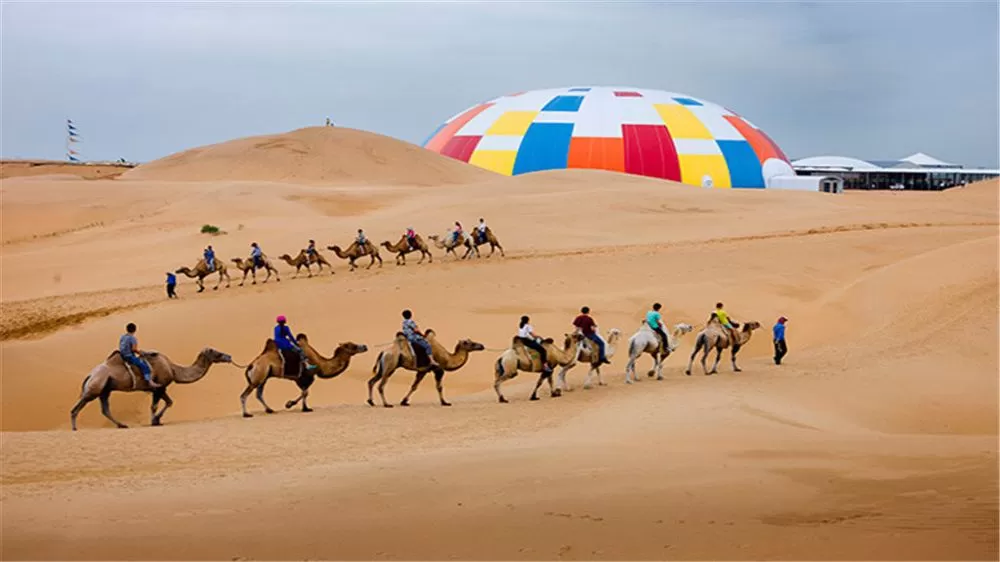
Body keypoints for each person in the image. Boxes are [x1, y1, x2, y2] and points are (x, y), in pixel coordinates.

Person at [119, 323, 160, 388]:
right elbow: (133, 349)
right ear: (135, 330)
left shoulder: (122, 337)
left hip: (121, 356)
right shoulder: (132, 338)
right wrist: (140, 352)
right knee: (144, 366)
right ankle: (149, 382)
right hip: (129, 357)